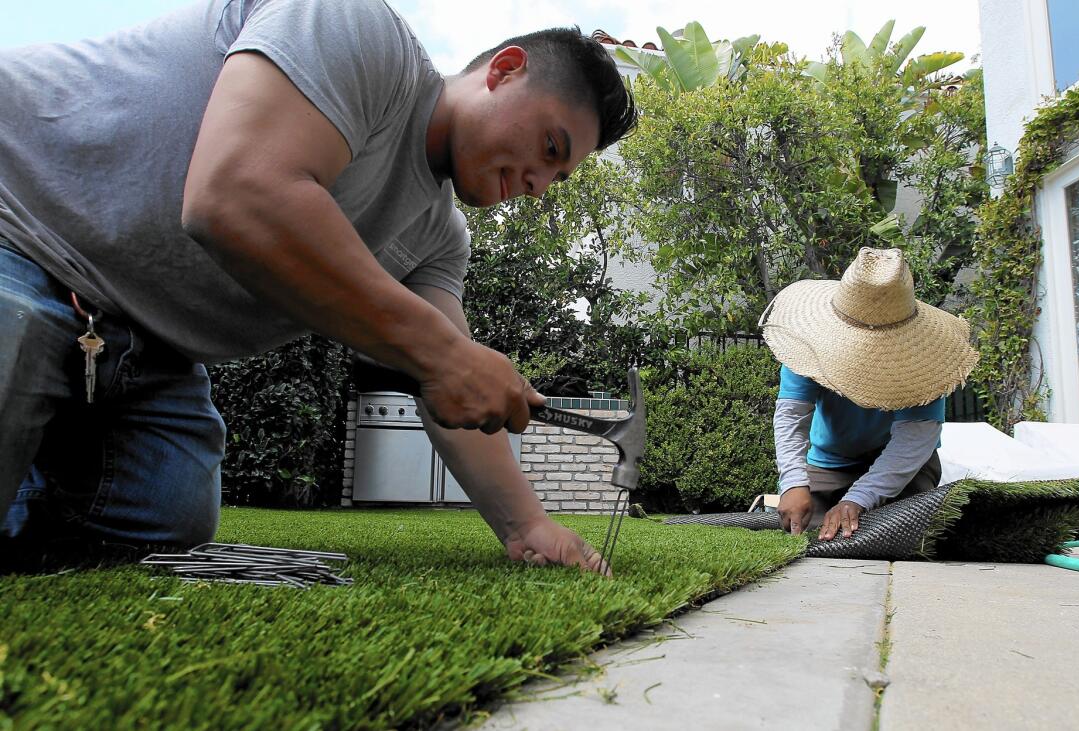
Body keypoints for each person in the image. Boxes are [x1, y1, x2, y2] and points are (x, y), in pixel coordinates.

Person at [0, 0, 637, 573]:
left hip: (139, 347)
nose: (538, 183)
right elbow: (236, 194)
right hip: (21, 224)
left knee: (167, 514)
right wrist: (444, 355)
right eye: (550, 146)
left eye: (557, 177)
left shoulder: (438, 239)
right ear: (505, 70)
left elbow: (445, 381)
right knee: (12, 344)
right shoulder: (351, 27)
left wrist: (528, 525)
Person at [759, 247, 979, 541]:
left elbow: (914, 439)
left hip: (904, 466)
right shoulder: (806, 346)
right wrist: (794, 484)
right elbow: (791, 418)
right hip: (830, 460)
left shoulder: (926, 362)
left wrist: (857, 500)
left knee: (900, 532)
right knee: (813, 531)